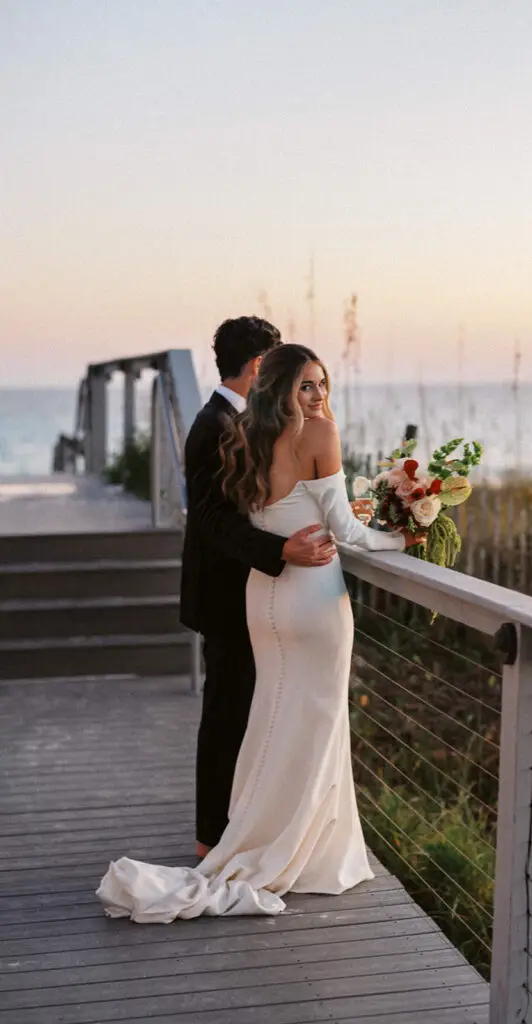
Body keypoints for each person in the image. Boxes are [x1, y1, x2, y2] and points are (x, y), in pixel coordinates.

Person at [98, 343, 420, 922]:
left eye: (323, 384)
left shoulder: (243, 436)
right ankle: (309, 852)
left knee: (271, 719)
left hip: (262, 596)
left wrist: (364, 509)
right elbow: (343, 530)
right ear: (281, 387)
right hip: (315, 599)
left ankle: (253, 835)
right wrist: (408, 536)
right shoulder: (320, 434)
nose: (319, 396)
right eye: (306, 386)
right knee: (317, 723)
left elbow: (282, 512)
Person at [180, 318, 336, 860]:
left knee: (251, 713)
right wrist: (279, 552)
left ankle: (243, 828)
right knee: (227, 717)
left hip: (253, 596)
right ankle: (210, 840)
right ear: (255, 368)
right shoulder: (215, 424)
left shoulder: (241, 421)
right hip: (227, 599)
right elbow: (211, 519)